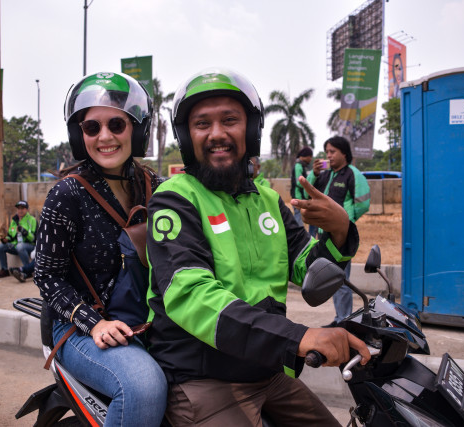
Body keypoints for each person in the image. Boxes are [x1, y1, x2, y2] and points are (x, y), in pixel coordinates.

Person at [146, 68, 370, 426]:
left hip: (267, 370)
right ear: (187, 137)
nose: (217, 134)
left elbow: (307, 266)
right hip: (205, 377)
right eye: (202, 124)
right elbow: (192, 295)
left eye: (230, 120)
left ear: (250, 131)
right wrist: (299, 337)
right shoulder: (175, 199)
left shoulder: (268, 200)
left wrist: (340, 231)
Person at [33, 72, 167, 426]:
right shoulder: (67, 195)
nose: (104, 137)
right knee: (144, 386)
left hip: (149, 319)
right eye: (92, 128)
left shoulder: (155, 186)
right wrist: (94, 324)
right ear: (80, 136)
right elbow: (46, 276)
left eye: (116, 125)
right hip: (81, 327)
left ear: (137, 130)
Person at [308, 136, 371, 324]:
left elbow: (363, 203)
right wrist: (314, 175)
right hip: (323, 234)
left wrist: (346, 222)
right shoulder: (325, 174)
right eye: (327, 152)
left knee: (341, 280)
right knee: (332, 278)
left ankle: (345, 321)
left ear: (344, 153)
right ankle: (339, 319)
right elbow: (308, 193)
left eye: (332, 151)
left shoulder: (353, 174)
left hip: (340, 235)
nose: (329, 155)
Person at [0, 200, 37, 278]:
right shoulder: (14, 220)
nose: (20, 210)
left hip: (29, 246)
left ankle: (27, 270)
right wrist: (6, 239)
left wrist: (24, 232)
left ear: (27, 209)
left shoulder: (32, 220)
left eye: (22, 208)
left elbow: (34, 238)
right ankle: (4, 269)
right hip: (16, 245)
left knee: (20, 246)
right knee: (1, 246)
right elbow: (10, 235)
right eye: (18, 208)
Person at [290, 146, 313, 225]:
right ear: (305, 156)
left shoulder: (302, 166)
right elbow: (299, 182)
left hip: (299, 196)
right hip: (298, 196)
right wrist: (309, 186)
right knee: (298, 219)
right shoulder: (298, 166)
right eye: (310, 156)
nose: (311, 159)